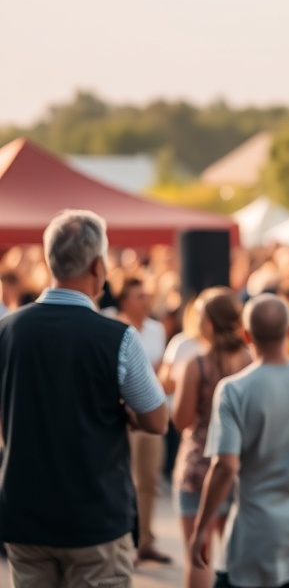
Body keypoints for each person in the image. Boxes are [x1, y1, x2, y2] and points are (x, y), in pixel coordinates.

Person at [0, 209, 168, 586]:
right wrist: (125, 414)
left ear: (48, 261)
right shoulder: (119, 338)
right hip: (95, 516)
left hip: (25, 512)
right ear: (98, 267)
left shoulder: (6, 331)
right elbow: (157, 421)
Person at [190, 294, 289, 588]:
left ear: (246, 335)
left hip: (255, 538)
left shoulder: (233, 391)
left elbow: (225, 467)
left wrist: (201, 528)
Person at [172, 288, 253, 588]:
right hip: (240, 463)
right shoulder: (249, 360)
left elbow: (182, 420)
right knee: (237, 555)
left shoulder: (196, 364)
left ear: (207, 323)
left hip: (199, 464)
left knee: (199, 552)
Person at [115, 275, 174, 565]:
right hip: (120, 413)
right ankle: (126, 540)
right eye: (139, 296)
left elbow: (159, 370)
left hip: (148, 411)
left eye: (146, 295)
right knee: (123, 477)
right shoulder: (110, 324)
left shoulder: (156, 329)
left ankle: (145, 540)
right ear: (124, 300)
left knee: (149, 479)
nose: (146, 301)